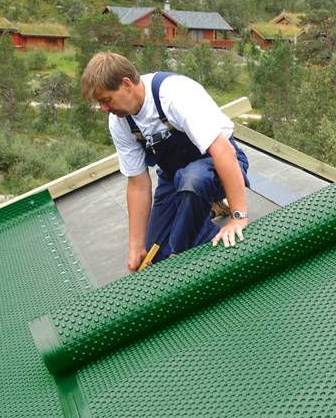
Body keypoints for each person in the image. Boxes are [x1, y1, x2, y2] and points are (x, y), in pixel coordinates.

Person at [80, 52, 250, 272]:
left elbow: (224, 152)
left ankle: (210, 244)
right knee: (155, 255)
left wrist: (239, 217)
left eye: (106, 100)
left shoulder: (173, 95)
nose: (104, 109)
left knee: (180, 239)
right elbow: (138, 184)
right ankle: (204, 215)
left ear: (126, 84)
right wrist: (136, 247)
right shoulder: (120, 122)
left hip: (220, 166)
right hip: (174, 178)